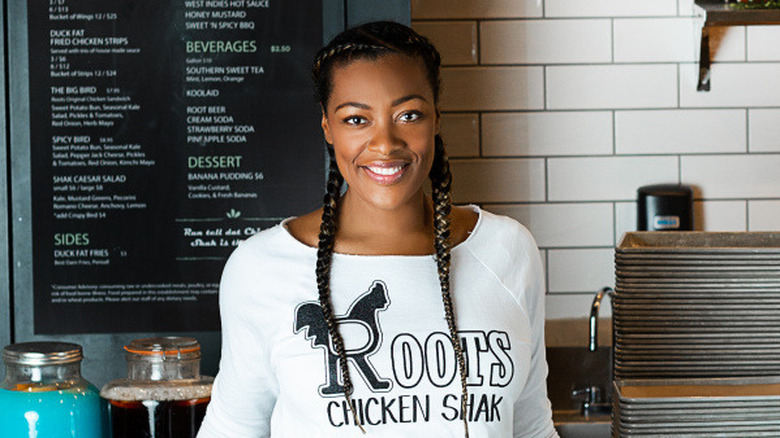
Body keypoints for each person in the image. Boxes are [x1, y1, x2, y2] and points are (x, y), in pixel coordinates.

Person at [197, 21, 558, 438]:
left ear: (436, 119)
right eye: (356, 119)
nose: (385, 143)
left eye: (409, 115)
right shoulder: (262, 267)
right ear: (328, 128)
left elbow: (532, 427)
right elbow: (232, 429)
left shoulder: (507, 249)